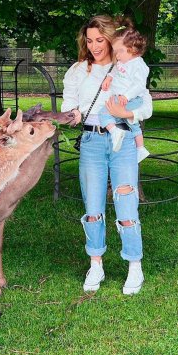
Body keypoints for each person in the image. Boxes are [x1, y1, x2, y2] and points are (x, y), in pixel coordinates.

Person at [61, 15, 152, 295]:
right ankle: (96, 263)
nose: (95, 46)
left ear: (111, 40)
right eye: (89, 40)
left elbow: (146, 106)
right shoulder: (77, 70)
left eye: (100, 40)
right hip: (91, 141)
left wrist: (127, 113)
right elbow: (71, 105)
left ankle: (134, 266)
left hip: (122, 140)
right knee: (93, 207)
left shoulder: (126, 65)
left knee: (126, 202)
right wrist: (70, 115)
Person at [99, 21, 150, 163]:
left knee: (104, 113)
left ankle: (115, 132)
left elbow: (139, 85)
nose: (117, 56)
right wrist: (109, 77)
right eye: (115, 52)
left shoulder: (139, 65)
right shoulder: (123, 63)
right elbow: (116, 70)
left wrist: (126, 96)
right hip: (124, 98)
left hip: (130, 99)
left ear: (133, 48)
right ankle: (141, 149)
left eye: (120, 51)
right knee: (132, 124)